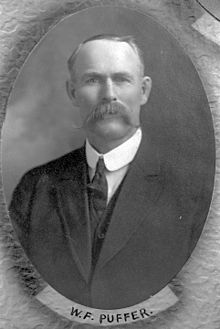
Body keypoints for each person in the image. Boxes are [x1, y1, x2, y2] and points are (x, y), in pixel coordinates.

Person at [9, 34, 209, 310]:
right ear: (72, 92)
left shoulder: (193, 189)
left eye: (122, 79)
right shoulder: (34, 188)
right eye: (93, 80)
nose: (109, 94)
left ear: (144, 90)